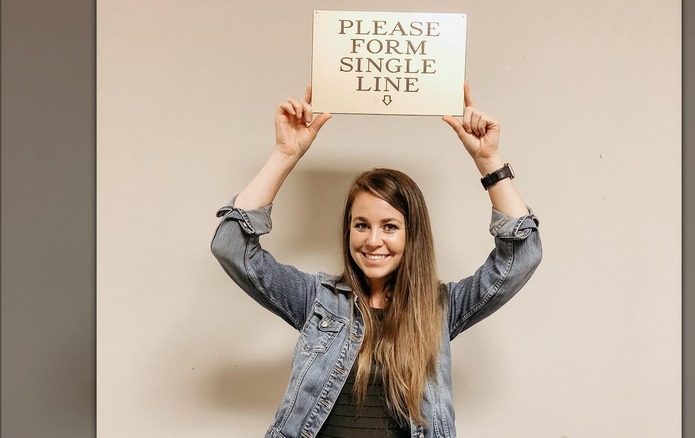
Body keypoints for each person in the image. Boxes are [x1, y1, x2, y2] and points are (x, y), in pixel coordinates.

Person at [211, 82, 542, 438]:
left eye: (389, 226)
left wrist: (489, 161)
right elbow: (232, 246)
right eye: (361, 225)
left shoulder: (441, 308)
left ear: (411, 234)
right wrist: (284, 154)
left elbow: (521, 256)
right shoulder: (317, 300)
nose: (373, 240)